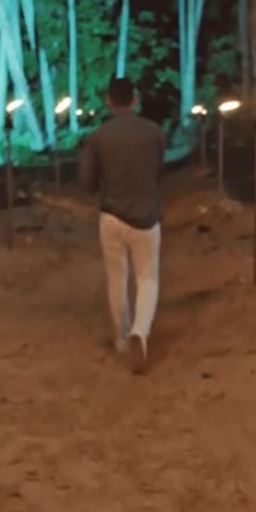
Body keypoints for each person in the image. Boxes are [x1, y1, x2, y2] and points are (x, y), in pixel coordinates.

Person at [78, 77, 165, 374]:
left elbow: (85, 182)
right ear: (136, 99)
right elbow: (158, 169)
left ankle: (121, 339)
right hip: (147, 216)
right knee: (147, 277)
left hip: (112, 215)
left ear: (108, 101)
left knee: (117, 278)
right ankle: (141, 330)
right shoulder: (154, 133)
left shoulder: (98, 137)